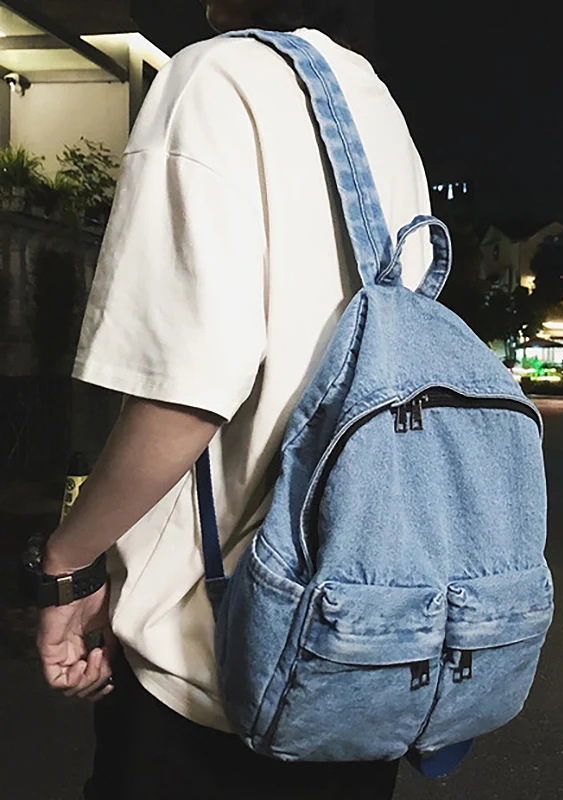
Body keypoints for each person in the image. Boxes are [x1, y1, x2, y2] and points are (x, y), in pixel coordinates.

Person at [35, 2, 432, 797]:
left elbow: (183, 395)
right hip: (361, 647)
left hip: (216, 673)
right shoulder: (378, 106)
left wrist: (66, 567)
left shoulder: (214, 78)